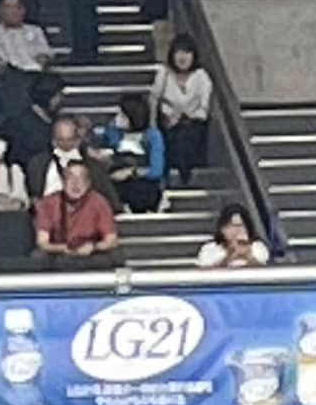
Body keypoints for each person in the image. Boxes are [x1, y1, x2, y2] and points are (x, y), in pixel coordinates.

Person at [149, 35, 213, 187]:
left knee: (185, 134)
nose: (182, 57)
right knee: (166, 135)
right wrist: (154, 124)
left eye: (187, 53)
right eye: (178, 52)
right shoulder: (164, 73)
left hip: (193, 122)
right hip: (167, 121)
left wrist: (184, 115)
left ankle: (183, 178)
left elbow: (204, 110)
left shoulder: (201, 76)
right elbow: (154, 99)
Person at [34, 158, 121, 261]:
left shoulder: (99, 202)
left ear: (88, 183)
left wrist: (93, 247)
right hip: (59, 251)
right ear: (63, 182)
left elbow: (111, 240)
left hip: (91, 251)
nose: (76, 183)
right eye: (70, 178)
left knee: (113, 256)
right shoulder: (48, 203)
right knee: (39, 257)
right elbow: (43, 242)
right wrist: (63, 248)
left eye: (81, 178)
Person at [29, 114, 118, 207]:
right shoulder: (38, 164)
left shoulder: (93, 167)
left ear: (78, 140)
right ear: (53, 141)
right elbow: (32, 194)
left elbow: (109, 200)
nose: (65, 144)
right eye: (60, 140)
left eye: (70, 139)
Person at [97, 96, 166, 215]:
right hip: (116, 179)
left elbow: (156, 170)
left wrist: (130, 172)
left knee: (141, 189)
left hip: (142, 182)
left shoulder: (153, 136)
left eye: (122, 115)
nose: (117, 118)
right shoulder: (114, 132)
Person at [0, 0, 54, 74]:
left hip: (32, 73)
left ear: (23, 10)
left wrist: (41, 60)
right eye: (8, 7)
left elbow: (45, 54)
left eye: (17, 7)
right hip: (5, 75)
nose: (13, 11)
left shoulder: (35, 30)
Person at [196, 201, 269, 268]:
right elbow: (205, 271)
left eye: (239, 226)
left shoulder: (257, 246)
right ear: (222, 228)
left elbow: (265, 268)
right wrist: (229, 257)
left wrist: (248, 255)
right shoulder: (209, 248)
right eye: (231, 226)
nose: (236, 231)